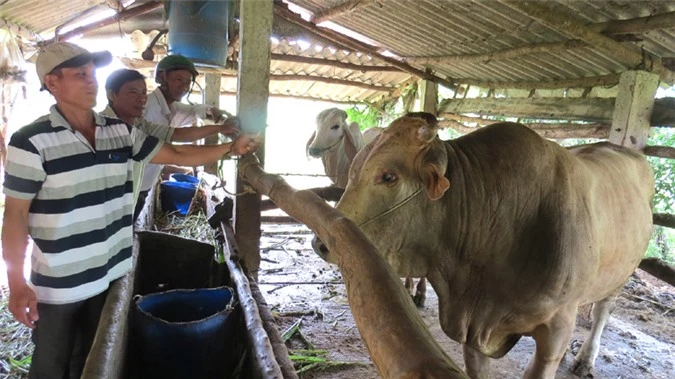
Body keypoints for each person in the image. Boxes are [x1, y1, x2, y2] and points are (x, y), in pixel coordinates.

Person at [1, 42, 260, 379]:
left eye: (93, 74)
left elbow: (177, 156)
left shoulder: (120, 132)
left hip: (110, 270)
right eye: (81, 75)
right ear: (52, 83)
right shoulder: (30, 141)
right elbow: (15, 215)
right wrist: (16, 282)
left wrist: (231, 148)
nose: (91, 81)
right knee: (51, 362)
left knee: (90, 357)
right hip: (59, 282)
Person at [102, 68, 238, 220]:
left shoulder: (138, 123)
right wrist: (233, 148)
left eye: (143, 92)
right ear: (112, 94)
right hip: (107, 205)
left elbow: (176, 134)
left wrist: (221, 128)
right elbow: (177, 154)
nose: (141, 99)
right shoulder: (109, 128)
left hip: (131, 195)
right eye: (133, 92)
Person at [139, 54, 226, 213]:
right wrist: (223, 134)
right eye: (179, 79)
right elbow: (175, 144)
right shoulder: (152, 109)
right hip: (135, 186)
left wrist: (213, 112)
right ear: (161, 77)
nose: (184, 87)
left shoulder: (171, 107)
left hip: (143, 184)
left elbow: (194, 111)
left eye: (188, 82)